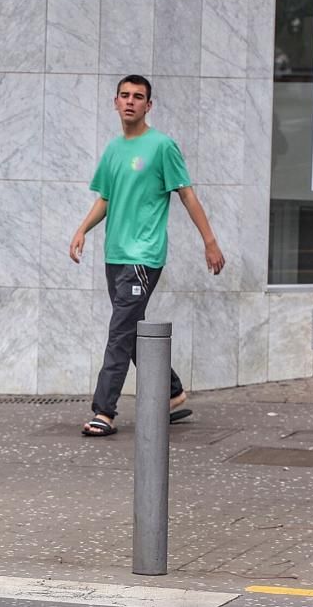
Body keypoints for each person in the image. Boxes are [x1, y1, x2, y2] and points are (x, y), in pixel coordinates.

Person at [69, 74, 225, 437]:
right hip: (115, 254)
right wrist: (81, 230)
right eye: (124, 95)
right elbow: (106, 199)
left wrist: (210, 241)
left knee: (119, 332)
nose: (130, 102)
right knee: (134, 328)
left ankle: (104, 411)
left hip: (144, 255)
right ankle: (171, 394)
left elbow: (186, 194)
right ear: (115, 102)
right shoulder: (113, 150)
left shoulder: (162, 146)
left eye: (138, 97)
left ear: (148, 106)